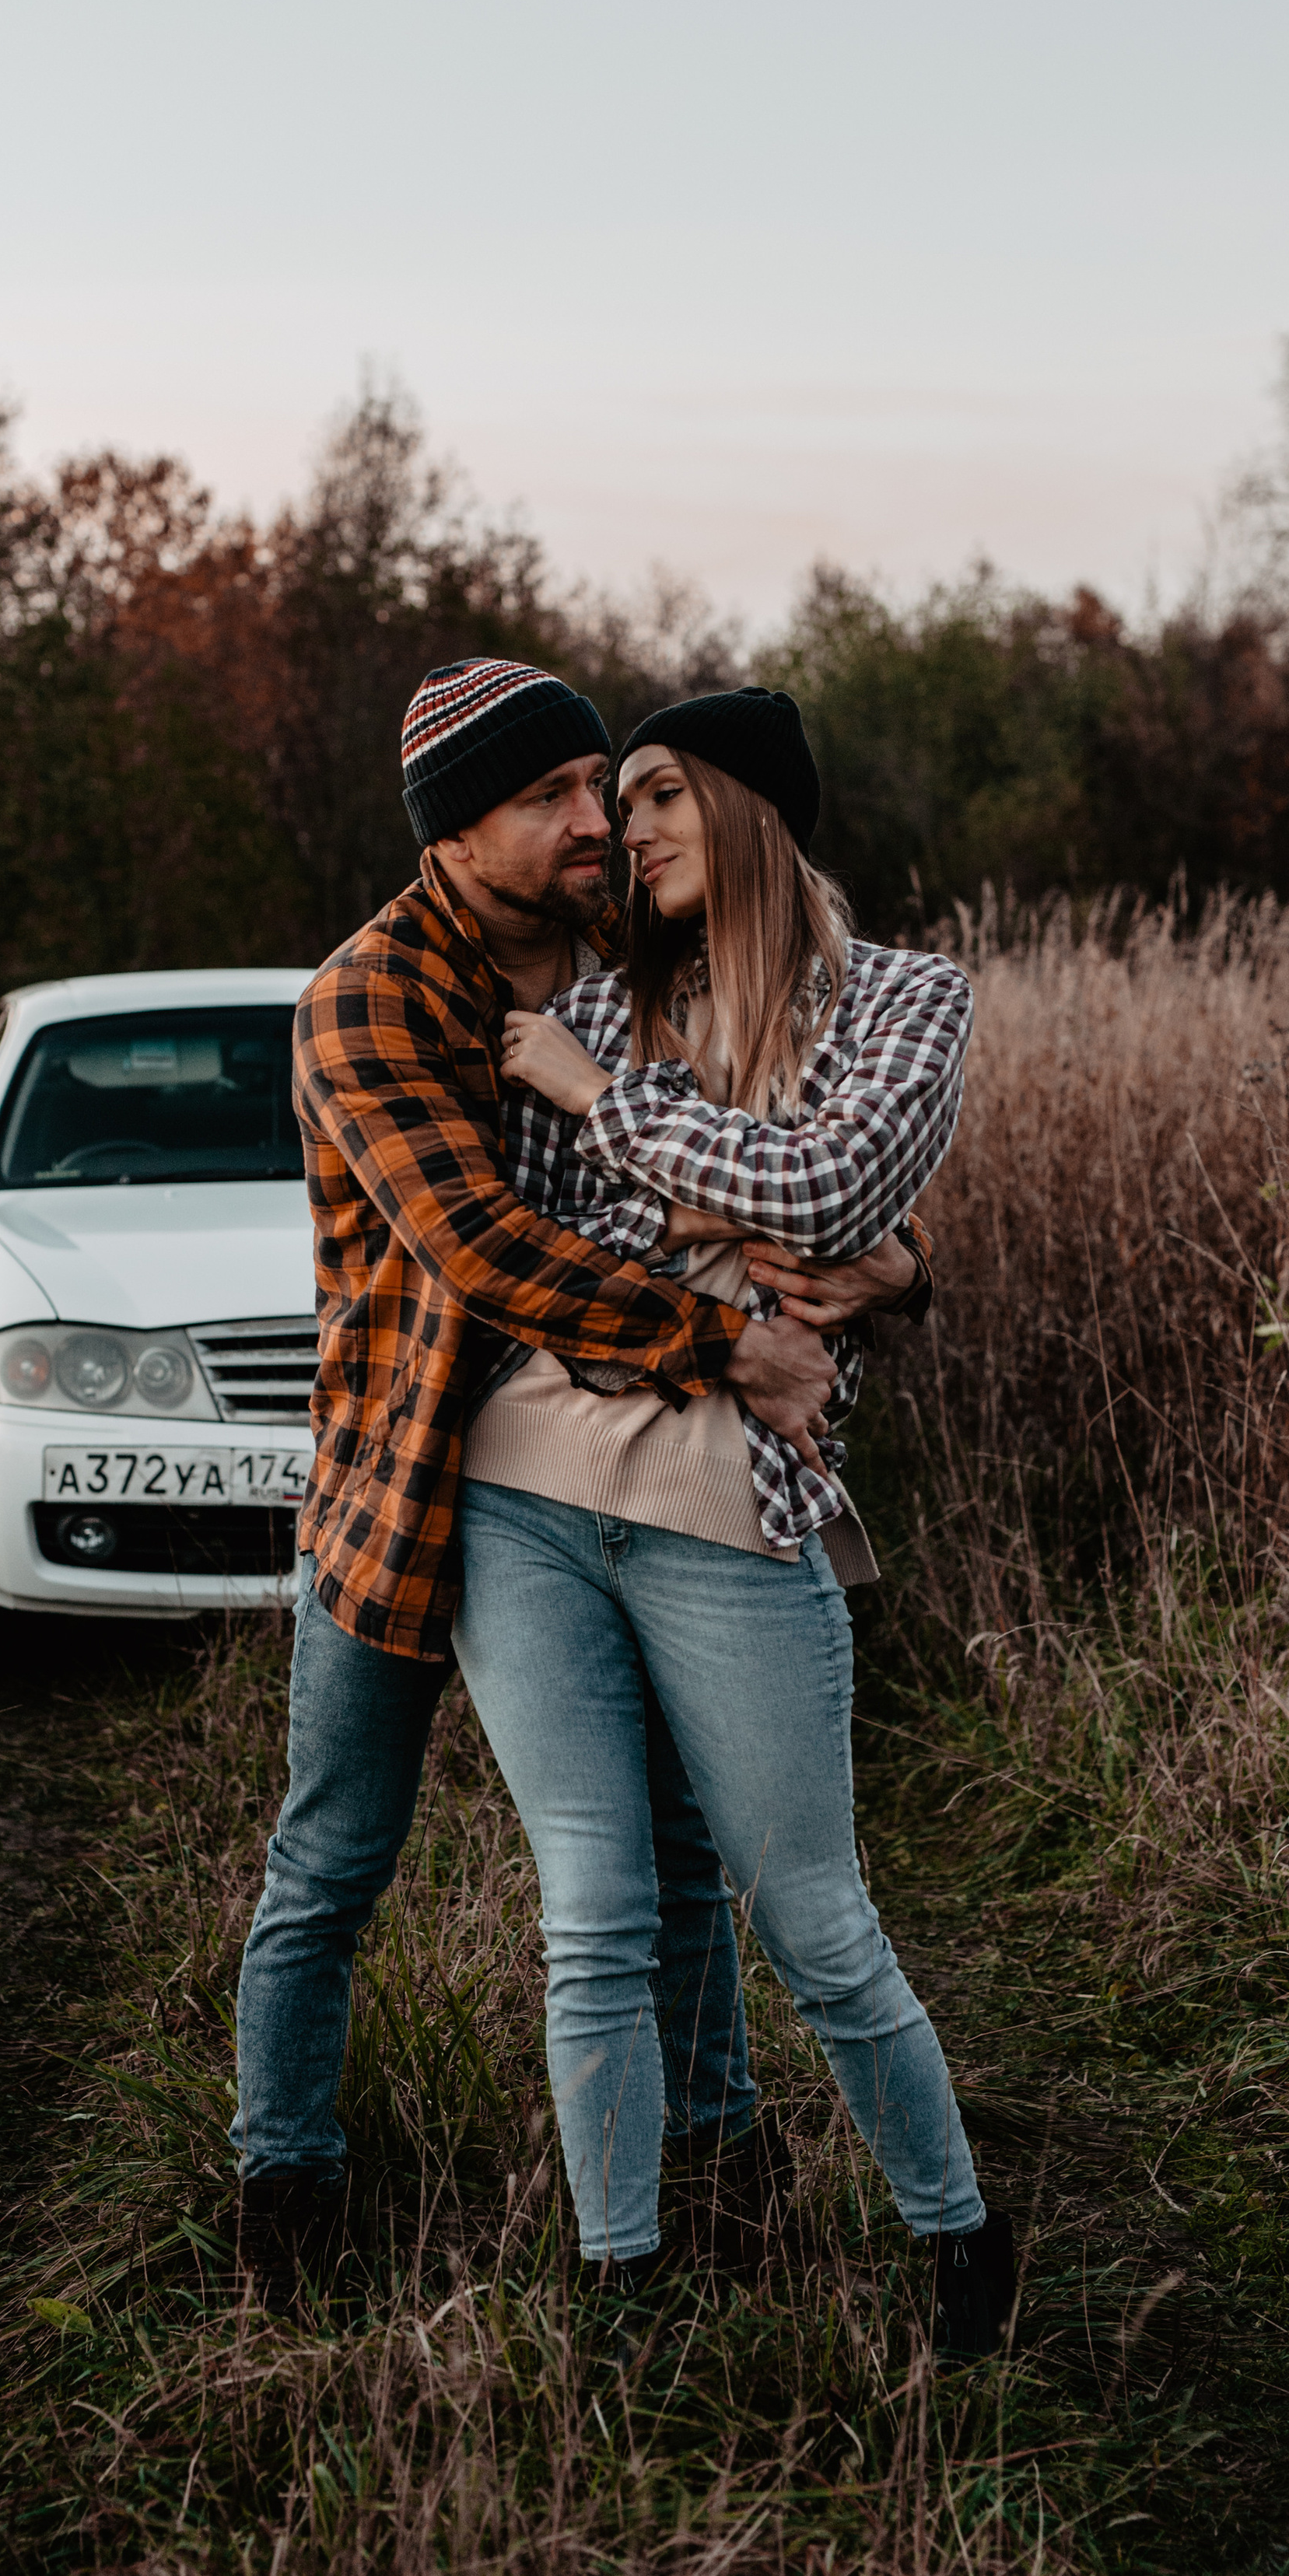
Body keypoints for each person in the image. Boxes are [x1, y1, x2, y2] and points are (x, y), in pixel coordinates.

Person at [229, 660, 906, 2305]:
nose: (597, 819)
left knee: (672, 1858)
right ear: (452, 835)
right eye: (550, 798)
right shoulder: (368, 995)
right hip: (410, 1486)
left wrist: (887, 1261)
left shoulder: (637, 959)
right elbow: (478, 1248)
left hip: (613, 1482)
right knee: (332, 1857)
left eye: (601, 787)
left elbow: (778, 1153)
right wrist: (727, 1346)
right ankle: (286, 2182)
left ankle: (719, 2163)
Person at [456, 684, 1017, 2360]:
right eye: (608, 807)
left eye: (649, 799)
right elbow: (559, 1228)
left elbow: (830, 1200)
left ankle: (963, 2249)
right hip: (526, 1489)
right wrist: (735, 1192)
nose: (616, 834)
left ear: (746, 806)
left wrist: (622, 1121)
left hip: (725, 1498)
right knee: (596, 1911)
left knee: (813, 1921)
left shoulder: (909, 999)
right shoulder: (608, 1002)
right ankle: (621, 2287)